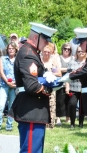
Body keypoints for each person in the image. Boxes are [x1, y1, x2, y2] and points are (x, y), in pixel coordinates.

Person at [8, 22, 57, 153]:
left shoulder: (31, 52)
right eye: (45, 40)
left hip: (33, 110)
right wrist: (49, 89)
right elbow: (32, 86)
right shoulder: (28, 54)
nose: (47, 43)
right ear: (36, 37)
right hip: (31, 110)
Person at [0, 42, 18, 133]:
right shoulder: (2, 58)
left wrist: (15, 83)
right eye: (9, 48)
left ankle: (9, 125)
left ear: (16, 50)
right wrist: (7, 82)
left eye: (12, 48)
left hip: (14, 85)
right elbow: (1, 71)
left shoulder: (18, 60)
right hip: (4, 85)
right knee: (0, 106)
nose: (11, 50)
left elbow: (19, 72)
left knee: (11, 107)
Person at [41, 43, 62, 129]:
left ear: (51, 52)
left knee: (52, 104)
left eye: (48, 52)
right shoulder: (39, 61)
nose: (46, 53)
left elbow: (59, 73)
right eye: (45, 51)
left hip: (51, 85)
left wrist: (50, 73)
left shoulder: (53, 61)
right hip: (41, 85)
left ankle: (51, 123)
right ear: (42, 52)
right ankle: (43, 122)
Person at [65, 46, 87, 128]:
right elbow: (67, 75)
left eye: (82, 51)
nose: (81, 53)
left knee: (83, 106)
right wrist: (67, 86)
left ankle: (81, 122)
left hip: (84, 87)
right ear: (76, 53)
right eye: (79, 51)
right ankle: (72, 123)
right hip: (73, 87)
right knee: (72, 104)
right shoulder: (72, 62)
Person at [56, 43, 74, 125]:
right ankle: (58, 118)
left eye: (69, 49)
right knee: (60, 100)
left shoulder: (72, 58)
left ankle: (68, 118)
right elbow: (59, 69)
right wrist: (69, 69)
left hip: (71, 82)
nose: (67, 50)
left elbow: (74, 68)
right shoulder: (59, 58)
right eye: (65, 49)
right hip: (61, 81)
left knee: (69, 101)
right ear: (62, 49)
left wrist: (66, 69)